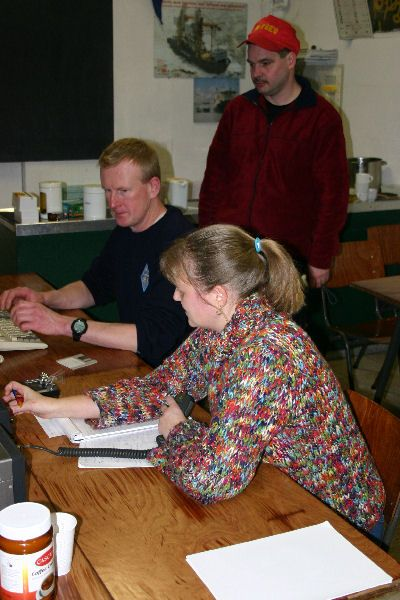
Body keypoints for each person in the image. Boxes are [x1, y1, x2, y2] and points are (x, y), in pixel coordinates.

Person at [3, 224, 384, 535]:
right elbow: (157, 388)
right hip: (276, 488)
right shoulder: (223, 326)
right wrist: (50, 405)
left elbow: (211, 479)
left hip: (335, 521)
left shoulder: (266, 353)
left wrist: (178, 431)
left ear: (217, 294)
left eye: (182, 289)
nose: (174, 297)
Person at [0, 138, 193, 367]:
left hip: (172, 378)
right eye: (107, 190)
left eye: (123, 191)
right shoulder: (127, 229)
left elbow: (153, 337)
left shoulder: (181, 244)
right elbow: (93, 287)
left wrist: (62, 325)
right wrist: (45, 299)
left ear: (153, 187)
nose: (113, 202)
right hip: (136, 363)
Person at [198, 14, 349, 290]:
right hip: (232, 256)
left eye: (266, 63)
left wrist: (321, 258)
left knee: (280, 334)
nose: (256, 73)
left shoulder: (321, 119)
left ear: (290, 60)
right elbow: (214, 182)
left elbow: (333, 196)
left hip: (286, 259)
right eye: (252, 64)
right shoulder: (237, 111)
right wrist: (206, 241)